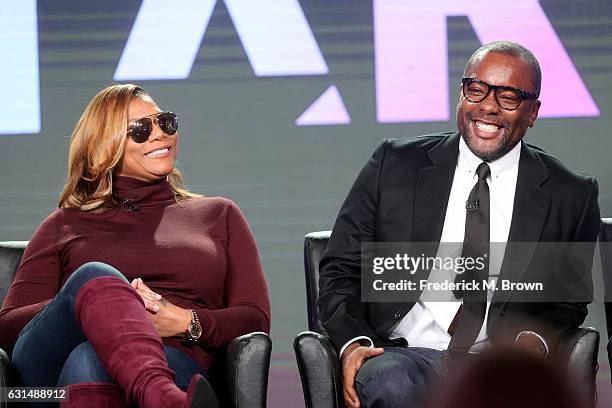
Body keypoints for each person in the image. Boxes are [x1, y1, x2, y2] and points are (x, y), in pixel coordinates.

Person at [317, 41, 600, 408]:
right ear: (461, 94)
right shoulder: (394, 165)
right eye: (476, 89)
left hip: (497, 363)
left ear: (533, 112)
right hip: (403, 353)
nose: (488, 106)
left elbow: (568, 298)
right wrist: (356, 343)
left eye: (508, 97)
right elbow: (341, 269)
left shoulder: (571, 195)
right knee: (392, 383)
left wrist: (532, 341)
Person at [0, 84, 271, 407]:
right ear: (104, 147)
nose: (159, 134)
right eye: (140, 129)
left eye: (165, 122)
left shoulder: (219, 215)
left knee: (86, 360)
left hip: (174, 362)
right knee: (95, 277)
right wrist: (102, 303)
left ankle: (158, 388)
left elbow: (254, 318)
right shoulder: (63, 224)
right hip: (49, 382)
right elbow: (9, 327)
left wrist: (186, 322)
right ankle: (162, 397)